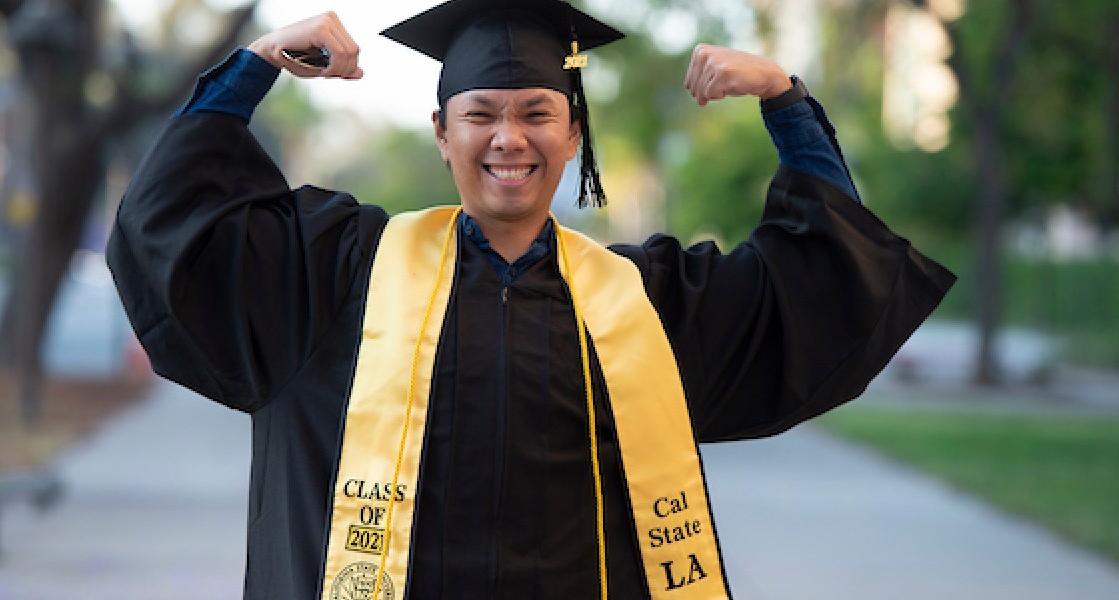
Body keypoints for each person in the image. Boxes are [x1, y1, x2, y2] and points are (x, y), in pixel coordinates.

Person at [106, 0, 955, 599]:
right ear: (443, 135)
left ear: (572, 133)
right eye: (480, 114)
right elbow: (172, 228)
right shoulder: (334, 278)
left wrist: (784, 99)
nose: (509, 137)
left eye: (536, 112)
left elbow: (820, 284)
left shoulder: (646, 307)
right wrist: (254, 66)